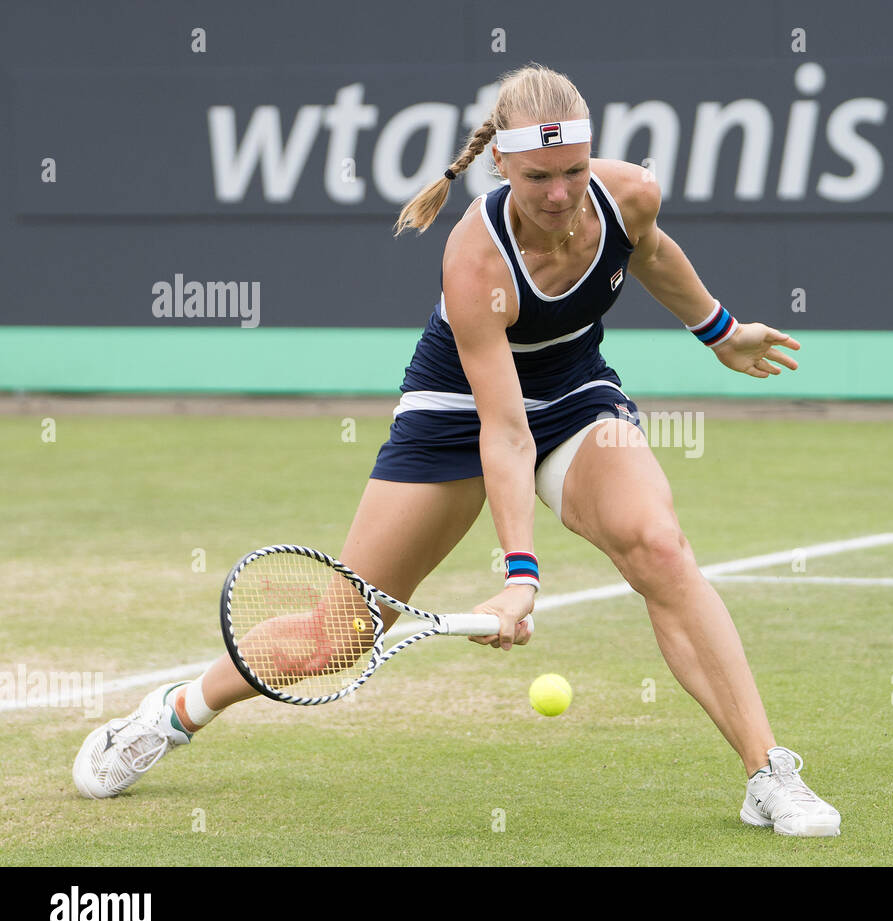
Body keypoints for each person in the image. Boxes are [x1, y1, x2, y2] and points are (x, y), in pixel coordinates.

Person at [73, 63, 840, 837]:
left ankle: (768, 773)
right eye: (538, 177)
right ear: (500, 165)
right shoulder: (476, 260)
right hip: (458, 404)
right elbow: (504, 431)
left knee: (661, 549)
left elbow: (647, 250)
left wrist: (719, 330)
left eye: (574, 171)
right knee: (335, 637)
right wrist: (520, 575)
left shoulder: (629, 192)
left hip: (574, 387)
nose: (561, 195)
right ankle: (171, 715)